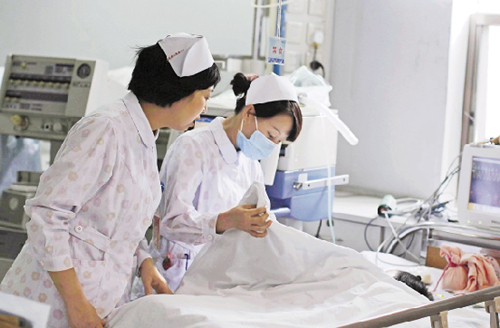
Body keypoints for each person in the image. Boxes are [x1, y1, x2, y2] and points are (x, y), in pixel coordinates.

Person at [0, 33, 220, 328]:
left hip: (90, 303)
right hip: (46, 303)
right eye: (205, 96)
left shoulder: (143, 135)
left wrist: (143, 259)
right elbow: (47, 217)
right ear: (180, 91)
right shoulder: (106, 129)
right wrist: (77, 304)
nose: (205, 107)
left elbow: (115, 221)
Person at [152, 72, 302, 292]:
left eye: (278, 142)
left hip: (222, 280)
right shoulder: (192, 147)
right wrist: (226, 221)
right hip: (177, 276)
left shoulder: (251, 165)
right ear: (250, 112)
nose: (271, 146)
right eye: (271, 135)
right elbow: (170, 222)